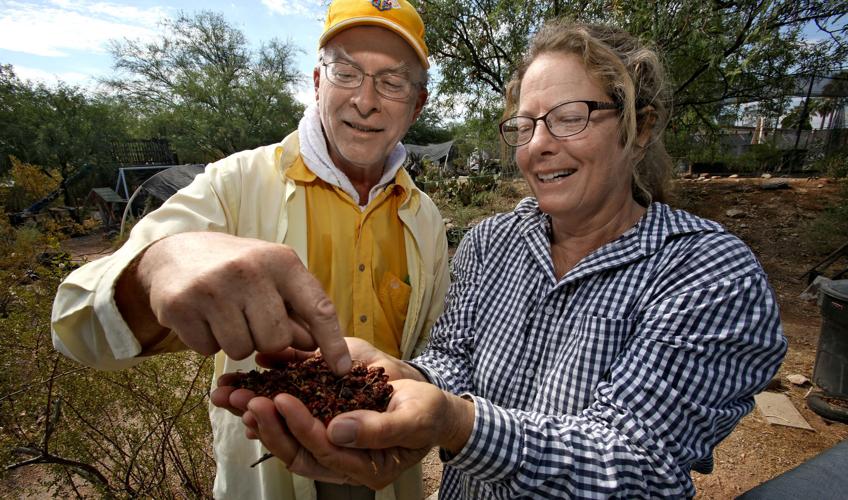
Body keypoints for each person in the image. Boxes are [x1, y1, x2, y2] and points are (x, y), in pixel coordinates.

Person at [227, 20, 788, 498]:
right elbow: (453, 357)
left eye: (570, 116)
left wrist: (457, 423)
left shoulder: (708, 272)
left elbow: (638, 465)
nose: (538, 144)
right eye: (524, 125)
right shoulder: (491, 241)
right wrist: (402, 377)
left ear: (641, 128)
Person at [50, 0, 449, 498]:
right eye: (346, 72)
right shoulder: (233, 184)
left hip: (390, 483)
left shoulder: (425, 218)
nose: (365, 100)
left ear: (418, 104)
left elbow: (435, 353)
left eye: (392, 82)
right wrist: (154, 268)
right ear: (318, 82)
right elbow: (75, 324)